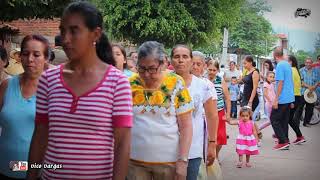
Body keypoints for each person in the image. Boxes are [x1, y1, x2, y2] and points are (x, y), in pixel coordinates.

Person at [27, 2, 133, 180]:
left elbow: (122, 143)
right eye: (63, 31)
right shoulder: (48, 79)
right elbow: (40, 136)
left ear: (96, 34)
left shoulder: (117, 81)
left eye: (74, 31)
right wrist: (31, 176)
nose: (65, 39)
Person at [128, 41, 193, 180]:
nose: (146, 74)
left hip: (168, 163)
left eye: (152, 69)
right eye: (142, 68)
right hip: (134, 162)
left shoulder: (176, 83)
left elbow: (186, 126)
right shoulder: (130, 83)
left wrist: (182, 161)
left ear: (163, 63)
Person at [0, 34, 49, 179]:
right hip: (4, 167)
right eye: (26, 54)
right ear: (20, 57)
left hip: (39, 171)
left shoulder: (53, 89)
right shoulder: (7, 85)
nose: (30, 59)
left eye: (37, 54)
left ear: (46, 58)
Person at [172, 47, 218, 179]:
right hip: (166, 150)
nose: (181, 60)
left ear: (191, 60)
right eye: (176, 57)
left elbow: (212, 115)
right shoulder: (164, 82)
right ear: (171, 60)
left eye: (185, 57)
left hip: (193, 151)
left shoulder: (203, 86)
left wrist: (212, 144)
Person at [270, 47, 295, 150]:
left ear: (275, 55)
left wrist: (276, 99)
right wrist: (292, 99)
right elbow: (291, 82)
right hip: (288, 97)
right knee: (284, 120)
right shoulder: (287, 65)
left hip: (282, 98)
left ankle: (283, 141)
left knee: (274, 119)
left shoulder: (280, 65)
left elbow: (281, 83)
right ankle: (285, 141)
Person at [207, 60, 231, 163]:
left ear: (217, 70)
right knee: (208, 136)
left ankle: (216, 156)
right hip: (206, 113)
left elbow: (227, 98)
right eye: (210, 69)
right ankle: (207, 155)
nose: (212, 72)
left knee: (220, 136)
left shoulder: (220, 80)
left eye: (214, 70)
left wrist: (228, 114)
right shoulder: (202, 80)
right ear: (206, 68)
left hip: (219, 111)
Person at [287, 55, 306, 144]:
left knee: (288, 119)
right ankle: (299, 136)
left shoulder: (291, 70)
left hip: (293, 97)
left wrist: (290, 101)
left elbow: (290, 86)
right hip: (297, 96)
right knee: (289, 118)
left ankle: (285, 139)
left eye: (287, 61)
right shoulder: (296, 70)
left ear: (291, 61)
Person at [296, 57, 318, 127]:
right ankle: (296, 123)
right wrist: (309, 87)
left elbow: (318, 80)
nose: (308, 64)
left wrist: (314, 86)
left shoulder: (316, 71)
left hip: (312, 93)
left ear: (312, 63)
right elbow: (301, 82)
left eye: (310, 62)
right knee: (299, 108)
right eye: (307, 62)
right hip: (303, 92)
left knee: (310, 109)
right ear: (305, 63)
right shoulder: (301, 70)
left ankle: (306, 123)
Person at [241, 56, 260, 120]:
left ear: (250, 63)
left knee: (248, 119)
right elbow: (245, 82)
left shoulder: (255, 72)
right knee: (245, 119)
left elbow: (255, 88)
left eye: (245, 63)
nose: (244, 65)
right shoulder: (247, 71)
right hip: (245, 97)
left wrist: (250, 101)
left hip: (251, 99)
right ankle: (256, 130)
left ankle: (255, 130)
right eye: (243, 63)